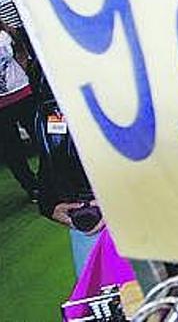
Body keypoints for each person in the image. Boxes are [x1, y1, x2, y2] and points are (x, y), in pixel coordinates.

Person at [34, 72, 103, 277]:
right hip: (87, 219)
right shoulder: (49, 85)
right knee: (101, 298)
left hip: (144, 214)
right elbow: (53, 150)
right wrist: (50, 202)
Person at [0, 18, 38, 201]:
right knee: (12, 151)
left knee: (41, 136)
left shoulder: (6, 32)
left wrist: (23, 70)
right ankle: (32, 187)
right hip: (1, 107)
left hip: (23, 93)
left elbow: (22, 49)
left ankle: (56, 178)